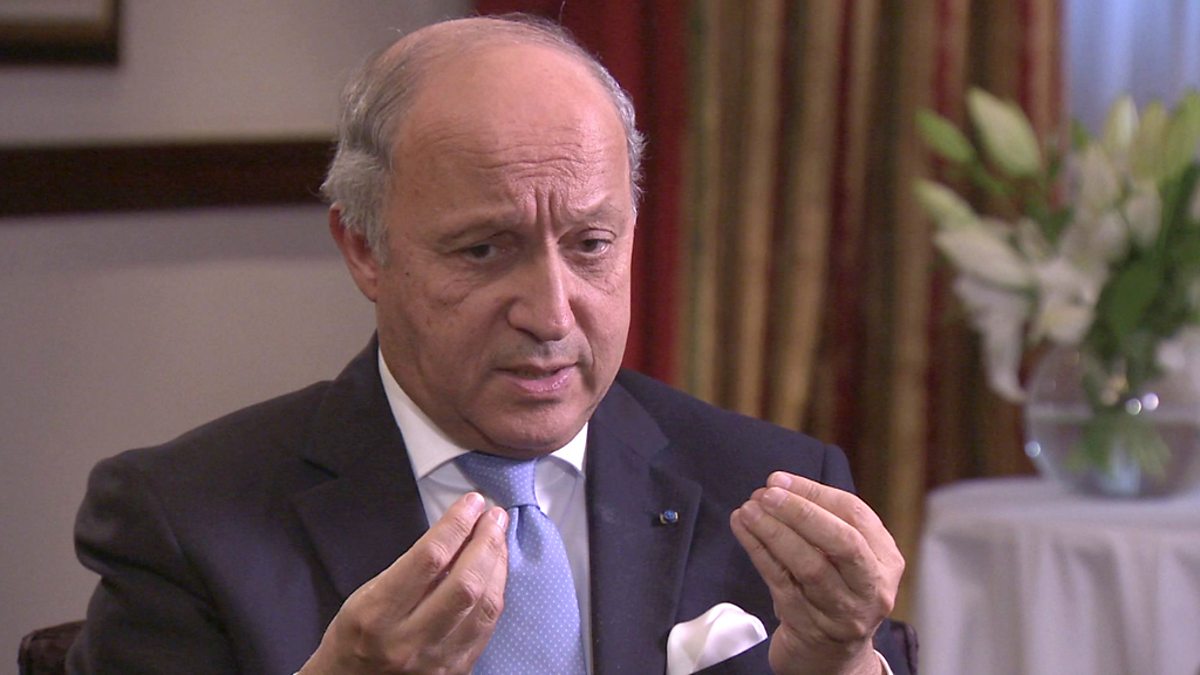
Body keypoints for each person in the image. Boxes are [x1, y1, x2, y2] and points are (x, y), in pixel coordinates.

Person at [67, 14, 907, 675]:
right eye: (483, 250)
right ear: (364, 248)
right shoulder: (186, 523)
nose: (551, 314)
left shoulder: (770, 490)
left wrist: (835, 663)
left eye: (590, 245)